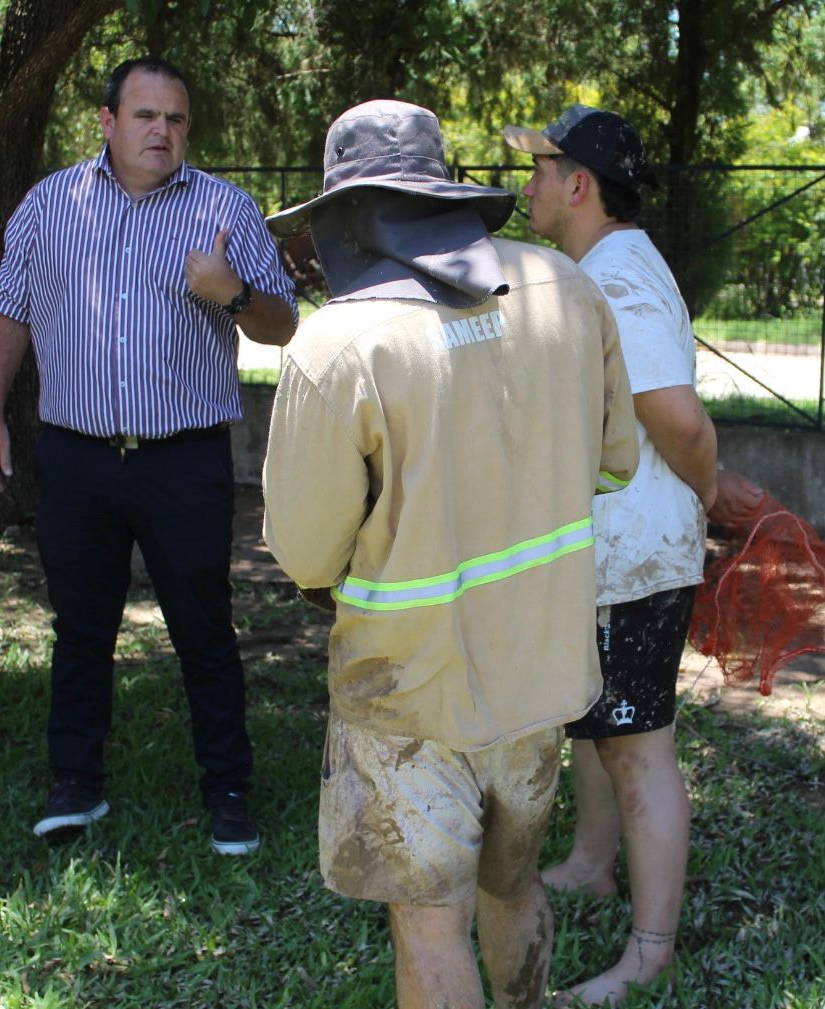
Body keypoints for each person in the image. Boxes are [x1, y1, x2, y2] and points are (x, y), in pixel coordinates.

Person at [262, 100, 640, 1009]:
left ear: (344, 214)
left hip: (409, 693)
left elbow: (306, 554)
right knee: (510, 882)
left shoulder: (338, 343)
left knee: (429, 919)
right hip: (540, 679)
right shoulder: (566, 287)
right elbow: (615, 461)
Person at [0, 55, 297, 855]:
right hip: (77, 459)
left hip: (182, 460)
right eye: (146, 116)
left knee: (203, 629)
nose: (163, 131)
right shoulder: (52, 204)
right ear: (108, 123)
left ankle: (227, 792)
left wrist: (234, 293)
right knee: (80, 629)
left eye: (176, 119)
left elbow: (282, 323)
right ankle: (75, 786)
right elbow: (9, 309)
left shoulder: (224, 209)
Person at [503, 105, 764, 1005]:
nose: (526, 184)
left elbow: (677, 417)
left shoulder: (617, 278)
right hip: (609, 553)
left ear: (580, 184)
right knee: (598, 720)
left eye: (540, 168)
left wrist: (704, 485)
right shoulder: (596, 268)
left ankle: (650, 954)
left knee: (638, 748)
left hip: (635, 556)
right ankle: (591, 862)